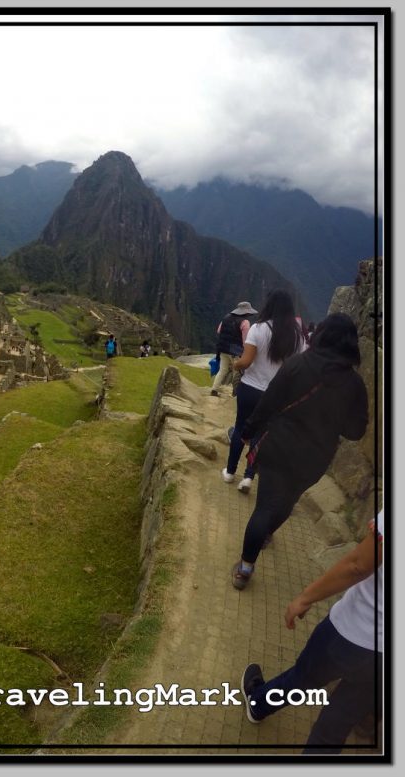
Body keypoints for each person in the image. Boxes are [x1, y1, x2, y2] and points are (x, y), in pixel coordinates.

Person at [231, 313, 368, 589]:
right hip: (314, 459)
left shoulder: (298, 364)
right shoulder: (354, 385)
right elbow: (355, 431)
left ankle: (245, 568)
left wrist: (246, 432)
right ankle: (267, 533)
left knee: (264, 505)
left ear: (322, 335)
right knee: (286, 503)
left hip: (278, 446)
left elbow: (268, 403)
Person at [241, 509, 382, 753]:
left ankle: (259, 703)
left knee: (304, 677)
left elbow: (357, 566)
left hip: (354, 631)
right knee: (336, 725)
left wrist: (306, 597)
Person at [221, 290, 305, 495]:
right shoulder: (298, 337)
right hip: (276, 395)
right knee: (261, 435)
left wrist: (236, 364)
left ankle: (231, 472)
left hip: (250, 389)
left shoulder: (258, 329)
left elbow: (246, 361)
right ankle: (249, 476)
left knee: (241, 428)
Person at [211, 301, 256, 397]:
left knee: (223, 370)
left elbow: (219, 331)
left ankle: (214, 390)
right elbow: (245, 340)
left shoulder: (226, 318)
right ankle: (235, 393)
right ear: (246, 312)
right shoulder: (245, 322)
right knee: (237, 372)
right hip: (235, 351)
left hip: (222, 348)